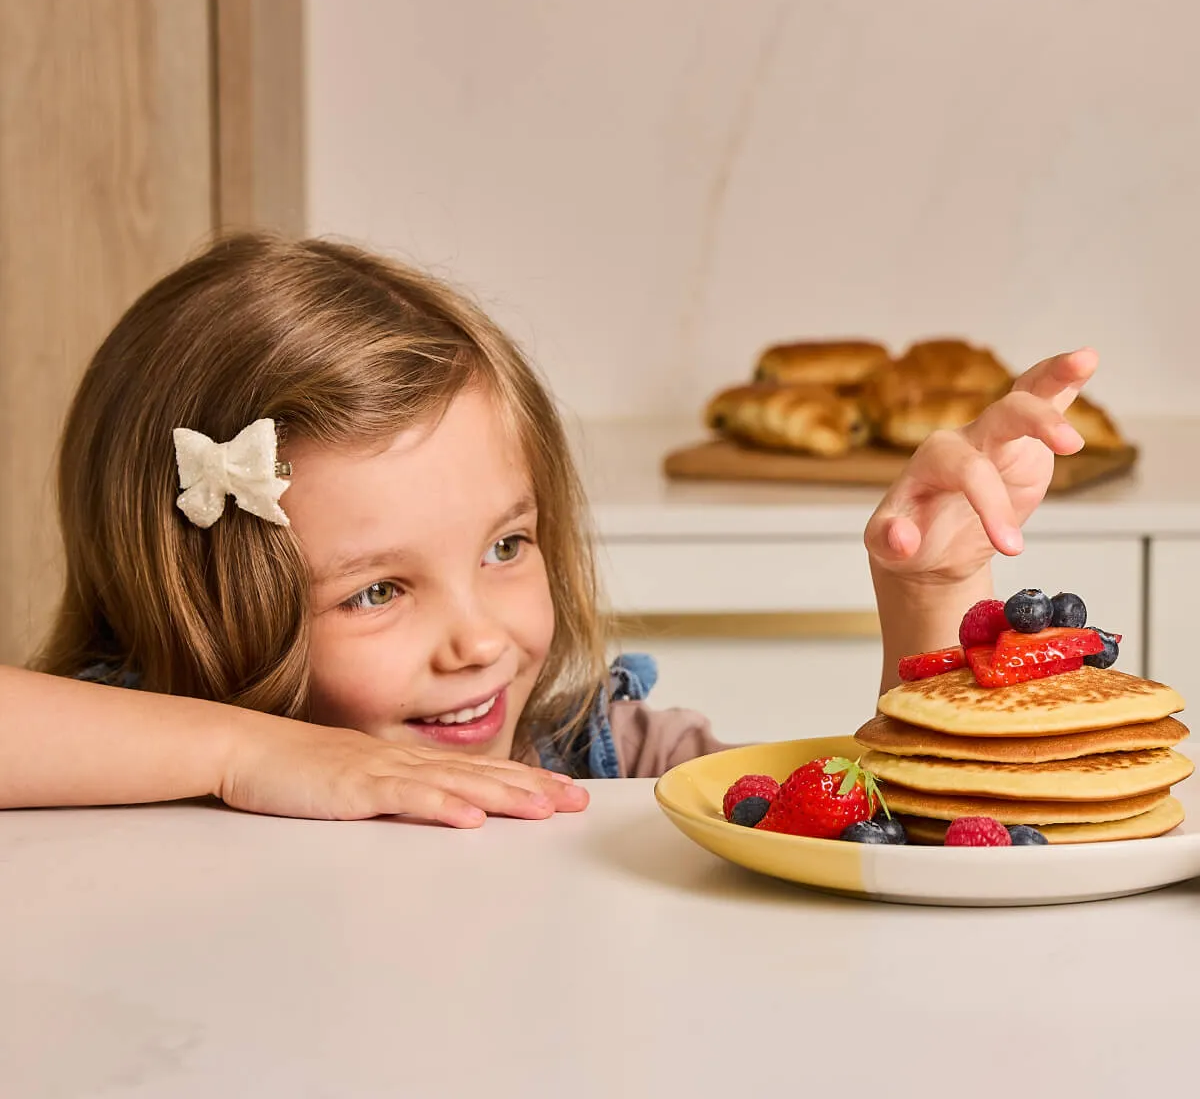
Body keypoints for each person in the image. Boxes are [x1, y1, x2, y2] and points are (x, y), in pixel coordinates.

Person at [0, 233, 1095, 824]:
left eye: (505, 547)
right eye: (376, 590)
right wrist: (248, 755)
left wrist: (929, 598)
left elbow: (904, 820)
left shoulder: (599, 751)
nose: (481, 642)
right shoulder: (133, 749)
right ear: (195, 603)